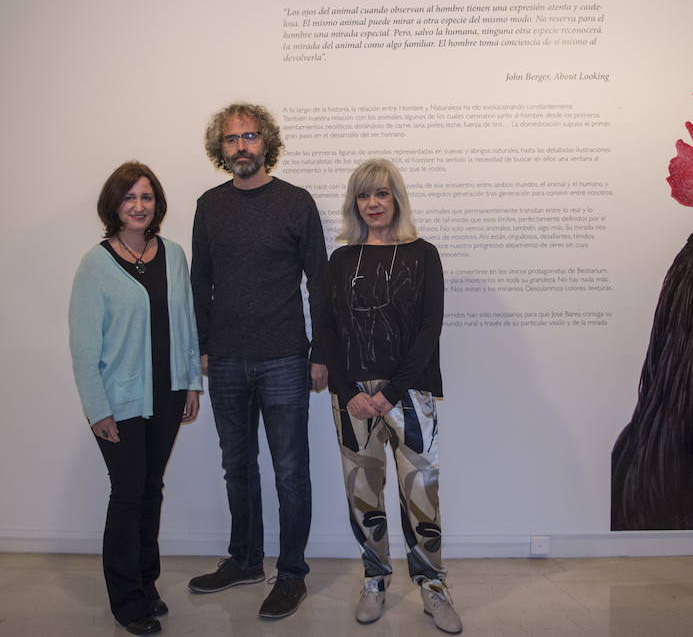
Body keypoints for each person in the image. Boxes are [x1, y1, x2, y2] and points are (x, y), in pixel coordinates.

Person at [188, 102, 329, 620]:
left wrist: (322, 353)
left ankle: (291, 574)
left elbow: (320, 279)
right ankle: (245, 560)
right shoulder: (209, 205)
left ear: (266, 143)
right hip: (225, 359)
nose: (241, 146)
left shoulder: (295, 202)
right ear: (220, 148)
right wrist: (201, 345)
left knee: (291, 471)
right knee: (236, 467)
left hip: (285, 359)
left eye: (250, 137)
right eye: (232, 139)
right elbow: (199, 282)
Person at [320, 158, 462, 634]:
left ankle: (434, 591)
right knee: (364, 497)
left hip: (410, 395)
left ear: (396, 198)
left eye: (381, 193)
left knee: (422, 494)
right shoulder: (340, 260)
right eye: (364, 195)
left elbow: (429, 329)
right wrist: (348, 392)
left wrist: (392, 392)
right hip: (352, 399)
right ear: (354, 204)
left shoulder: (424, 254)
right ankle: (374, 583)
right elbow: (326, 330)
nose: (373, 203)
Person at [69, 162, 202, 636]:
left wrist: (191, 383)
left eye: (146, 197)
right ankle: (126, 601)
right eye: (129, 198)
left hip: (167, 395)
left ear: (157, 203)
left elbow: (186, 324)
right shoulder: (96, 263)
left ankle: (147, 585)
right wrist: (96, 408)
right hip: (120, 402)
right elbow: (84, 346)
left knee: (151, 490)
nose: (139, 206)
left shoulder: (173, 254)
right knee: (127, 496)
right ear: (114, 205)